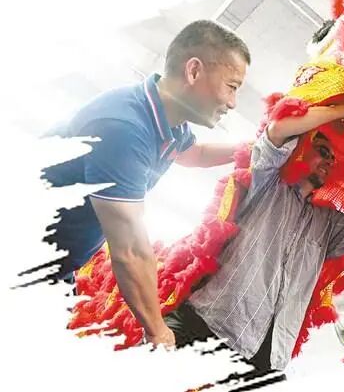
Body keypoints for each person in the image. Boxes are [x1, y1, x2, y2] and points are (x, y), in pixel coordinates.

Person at [34, 20, 250, 348]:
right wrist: (157, 331)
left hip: (55, 267)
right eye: (232, 86)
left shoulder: (169, 123)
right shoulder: (124, 128)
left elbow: (195, 154)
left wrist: (258, 147)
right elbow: (131, 250)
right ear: (194, 71)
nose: (233, 103)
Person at [163, 96, 344, 379]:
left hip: (268, 357)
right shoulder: (267, 184)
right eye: (322, 151)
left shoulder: (327, 223)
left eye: (332, 159)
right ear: (301, 149)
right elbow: (277, 129)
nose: (328, 162)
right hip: (210, 324)